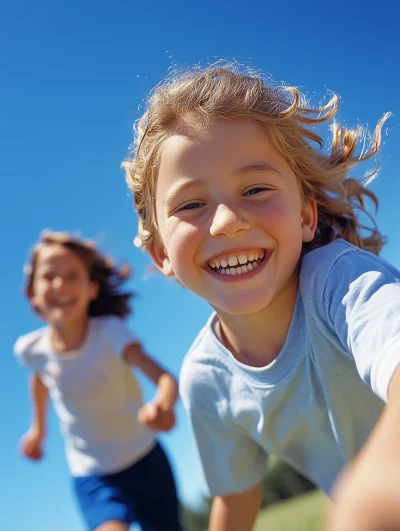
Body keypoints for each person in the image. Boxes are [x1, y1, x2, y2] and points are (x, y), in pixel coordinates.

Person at [122, 63, 400, 531]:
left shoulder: (339, 280)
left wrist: (374, 492)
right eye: (191, 204)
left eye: (255, 189)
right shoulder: (206, 380)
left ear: (306, 216)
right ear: (161, 254)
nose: (228, 221)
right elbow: (236, 500)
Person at [14, 231, 184, 531]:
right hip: (92, 474)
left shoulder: (110, 333)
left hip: (145, 458)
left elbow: (165, 378)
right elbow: (40, 381)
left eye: (71, 275)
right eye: (48, 276)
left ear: (92, 289)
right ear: (32, 293)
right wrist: (38, 430)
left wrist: (163, 405)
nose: (59, 284)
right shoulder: (32, 351)